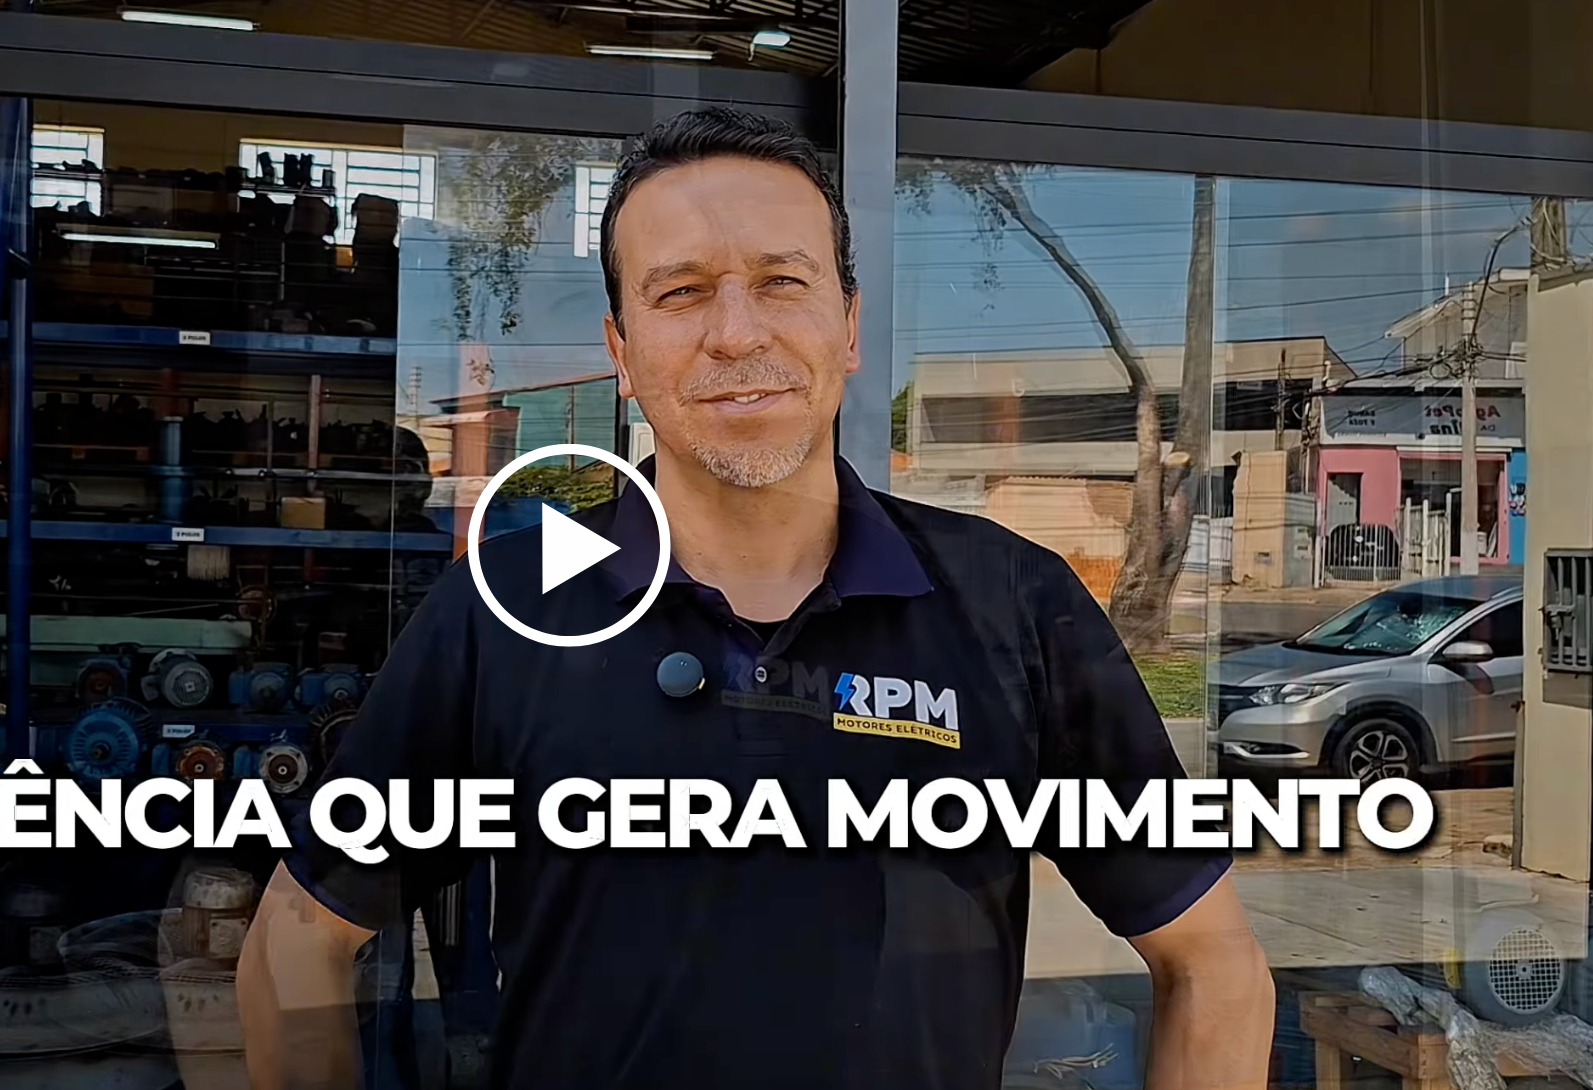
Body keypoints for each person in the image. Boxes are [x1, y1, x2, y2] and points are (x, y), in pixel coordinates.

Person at [237, 107, 1275, 1090]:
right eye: (680, 292)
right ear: (621, 351)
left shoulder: (1014, 603)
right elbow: (299, 936)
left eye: (781, 281)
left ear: (849, 325)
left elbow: (1213, 962)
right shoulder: (505, 607)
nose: (736, 334)